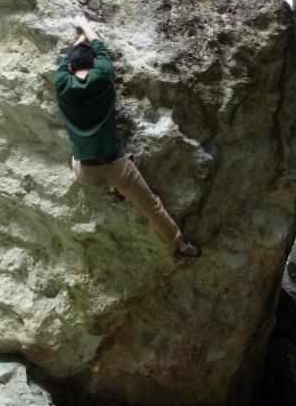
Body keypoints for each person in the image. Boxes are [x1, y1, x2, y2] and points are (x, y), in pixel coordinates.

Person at [54, 15, 202, 259]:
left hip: (86, 171)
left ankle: (110, 191)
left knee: (75, 160)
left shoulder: (61, 82)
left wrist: (79, 38)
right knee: (150, 205)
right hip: (115, 165)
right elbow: (100, 46)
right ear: (94, 62)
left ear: (70, 68)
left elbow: (67, 60)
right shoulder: (103, 75)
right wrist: (87, 27)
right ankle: (181, 247)